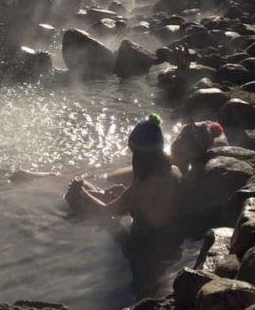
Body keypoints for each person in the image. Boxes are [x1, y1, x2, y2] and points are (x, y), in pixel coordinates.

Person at [64, 113, 184, 296]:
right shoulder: (174, 171)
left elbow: (105, 211)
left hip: (143, 245)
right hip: (170, 240)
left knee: (78, 200)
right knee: (104, 192)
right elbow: (152, 203)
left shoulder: (142, 189)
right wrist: (123, 195)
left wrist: (83, 193)